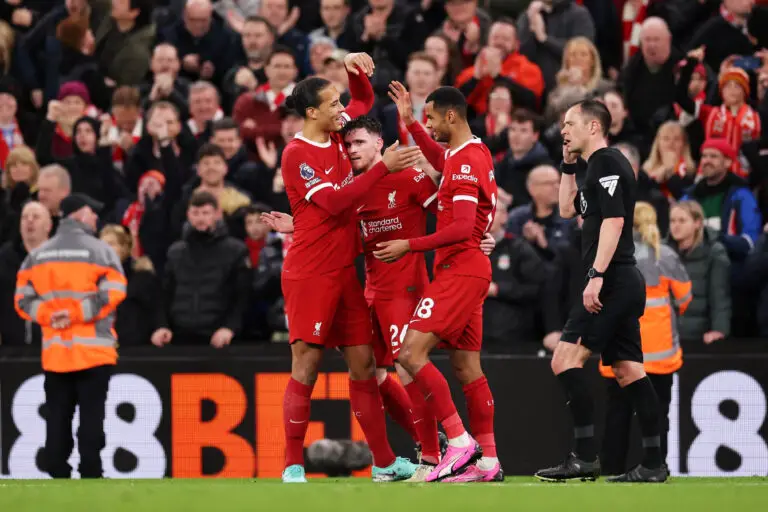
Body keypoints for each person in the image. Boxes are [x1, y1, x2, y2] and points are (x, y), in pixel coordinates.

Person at [277, 51, 423, 484]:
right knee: (305, 365)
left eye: (340, 103)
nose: (343, 109)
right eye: (334, 104)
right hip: (309, 273)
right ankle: (292, 464)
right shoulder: (296, 155)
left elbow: (363, 96)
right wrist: (382, 167)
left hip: (344, 273)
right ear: (312, 113)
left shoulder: (338, 133)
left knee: (364, 365)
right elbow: (337, 202)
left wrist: (352, 66)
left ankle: (383, 463)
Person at [534, 99, 667, 483]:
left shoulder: (608, 162)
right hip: (622, 280)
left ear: (594, 127)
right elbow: (563, 209)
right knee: (628, 371)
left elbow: (614, 221)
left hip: (613, 280)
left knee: (564, 360)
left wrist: (595, 275)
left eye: (570, 124)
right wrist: (567, 164)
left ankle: (585, 457)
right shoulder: (593, 168)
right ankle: (654, 464)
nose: (564, 130)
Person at [376, 83, 501, 482]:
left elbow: (464, 227)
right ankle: (488, 462)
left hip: (460, 269)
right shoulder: (468, 154)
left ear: (451, 116)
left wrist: (409, 245)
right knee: (466, 367)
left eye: (430, 117)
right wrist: (410, 122)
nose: (428, 126)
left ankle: (460, 442)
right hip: (470, 268)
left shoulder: (465, 163)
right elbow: (441, 159)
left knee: (410, 355)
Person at [15, 193, 127, 478]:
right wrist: (77, 313)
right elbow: (114, 292)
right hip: (93, 350)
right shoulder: (101, 251)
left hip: (56, 352)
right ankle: (91, 472)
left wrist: (49, 316)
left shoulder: (37, 255)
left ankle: (57, 472)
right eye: (92, 213)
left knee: (57, 418)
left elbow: (22, 299)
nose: (96, 218)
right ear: (79, 214)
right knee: (92, 417)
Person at [599, 202, 692, 477]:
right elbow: (685, 298)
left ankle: (611, 469)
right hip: (660, 354)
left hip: (622, 350)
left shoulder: (611, 256)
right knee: (658, 415)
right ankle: (656, 466)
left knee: (618, 416)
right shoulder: (666, 256)